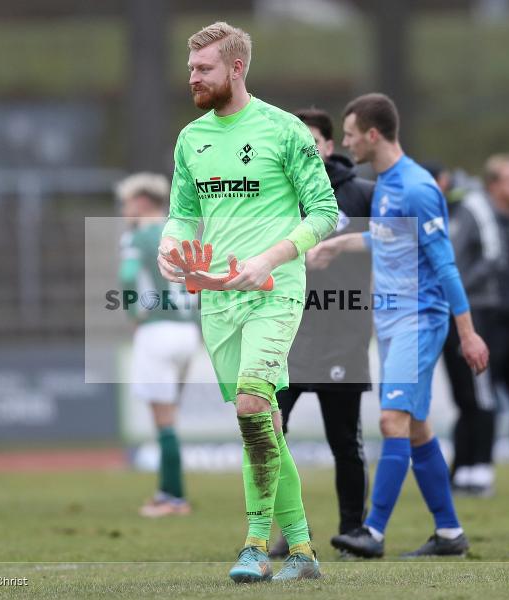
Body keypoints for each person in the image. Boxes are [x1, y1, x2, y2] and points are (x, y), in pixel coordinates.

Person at [157, 22, 337, 582]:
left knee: (253, 406)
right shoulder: (192, 139)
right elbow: (184, 212)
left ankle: (256, 545)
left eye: (204, 68)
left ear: (236, 68)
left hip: (273, 291)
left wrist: (271, 258)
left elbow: (326, 213)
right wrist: (169, 244)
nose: (194, 77)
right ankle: (304, 552)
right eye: (191, 69)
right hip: (217, 301)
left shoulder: (284, 131)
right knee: (262, 425)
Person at [325, 93, 489, 558]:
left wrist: (468, 332)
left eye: (352, 134)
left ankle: (371, 533)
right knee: (416, 428)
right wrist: (338, 246)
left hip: (419, 319)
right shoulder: (386, 184)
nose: (348, 142)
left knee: (391, 420)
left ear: (373, 135)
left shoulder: (417, 187)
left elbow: (446, 264)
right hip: (392, 320)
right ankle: (450, 533)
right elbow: (389, 238)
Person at [267, 108, 374, 558]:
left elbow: (396, 242)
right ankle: (288, 532)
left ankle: (353, 532)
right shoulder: (273, 197)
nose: (305, 152)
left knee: (344, 441)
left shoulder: (363, 195)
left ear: (329, 147)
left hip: (342, 334)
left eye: (312, 143)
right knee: (271, 434)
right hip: (285, 335)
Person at [447, 154, 509, 495]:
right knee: (479, 398)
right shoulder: (474, 213)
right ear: (493, 184)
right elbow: (455, 264)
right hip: (484, 315)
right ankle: (470, 468)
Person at [117, 172, 199, 518]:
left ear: (140, 202)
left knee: (162, 420)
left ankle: (173, 498)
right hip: (187, 331)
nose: (124, 211)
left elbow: (126, 277)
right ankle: (169, 493)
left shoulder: (137, 236)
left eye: (126, 203)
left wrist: (133, 311)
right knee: (172, 417)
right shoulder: (180, 234)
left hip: (157, 330)